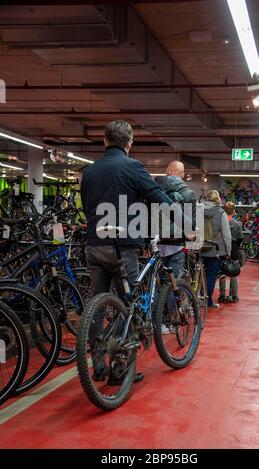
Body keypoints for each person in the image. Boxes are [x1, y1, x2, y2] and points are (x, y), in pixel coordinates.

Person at [81, 120, 195, 383]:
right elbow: (160, 198)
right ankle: (120, 371)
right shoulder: (132, 167)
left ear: (105, 140)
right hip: (122, 248)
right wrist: (187, 228)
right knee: (132, 306)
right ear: (129, 143)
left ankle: (98, 366)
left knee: (96, 306)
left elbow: (88, 206)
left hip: (94, 245)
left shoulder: (90, 171)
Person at [155, 161, 197, 334]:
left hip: (156, 241)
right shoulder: (188, 193)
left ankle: (152, 320)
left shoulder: (155, 187)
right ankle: (167, 321)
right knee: (172, 284)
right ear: (180, 174)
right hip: (176, 243)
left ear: (167, 171)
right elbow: (191, 223)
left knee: (154, 283)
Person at [202, 190, 231, 309]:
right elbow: (226, 234)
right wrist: (228, 252)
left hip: (200, 249)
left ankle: (197, 300)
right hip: (215, 250)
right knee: (211, 276)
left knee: (200, 276)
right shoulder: (221, 213)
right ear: (217, 199)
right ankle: (208, 302)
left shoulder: (199, 211)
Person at [218, 202, 243, 304]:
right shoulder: (237, 224)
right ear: (233, 211)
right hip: (234, 249)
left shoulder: (220, 222)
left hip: (222, 249)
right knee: (234, 273)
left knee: (222, 273)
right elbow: (240, 238)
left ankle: (222, 295)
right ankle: (234, 295)